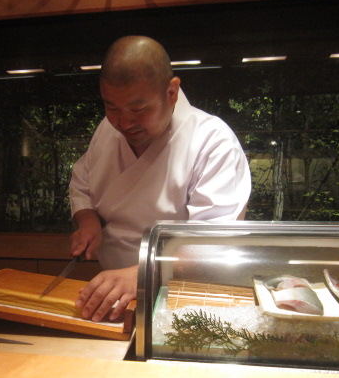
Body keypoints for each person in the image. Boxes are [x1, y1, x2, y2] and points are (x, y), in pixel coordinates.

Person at [69, 36, 251, 322]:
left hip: (188, 298)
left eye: (139, 109)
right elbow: (83, 181)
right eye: (112, 107)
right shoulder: (107, 129)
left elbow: (211, 242)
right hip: (117, 300)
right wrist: (87, 220)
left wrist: (142, 273)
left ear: (171, 92)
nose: (123, 122)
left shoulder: (213, 141)